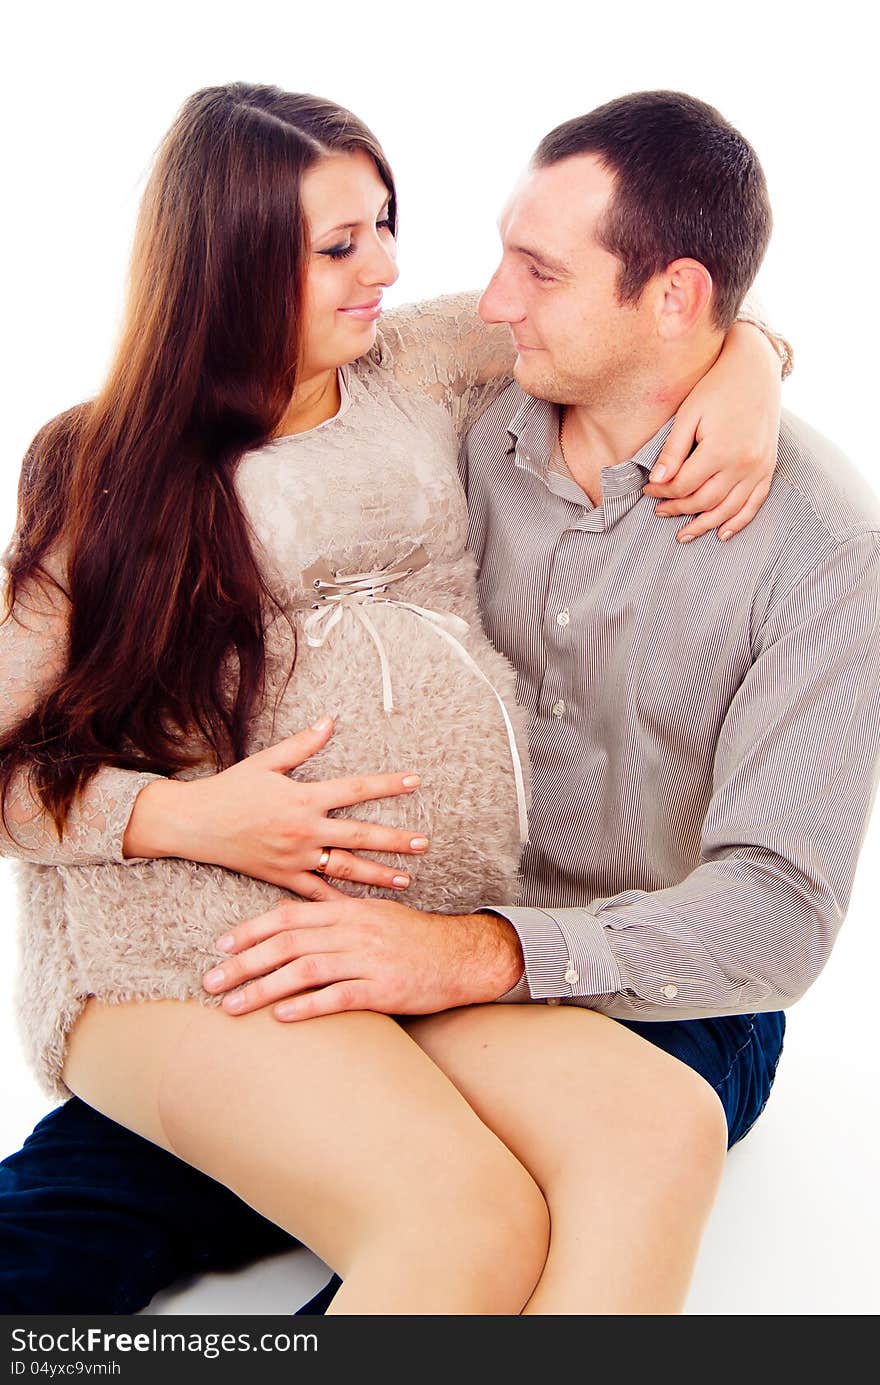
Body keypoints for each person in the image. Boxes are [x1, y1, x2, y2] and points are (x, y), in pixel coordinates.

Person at [0, 84, 794, 1315]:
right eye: (339, 245)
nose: (388, 264)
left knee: (658, 1121)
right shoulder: (99, 465)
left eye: (384, 223)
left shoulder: (413, 364)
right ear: (228, 262)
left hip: (404, 929)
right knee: (467, 1223)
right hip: (186, 934)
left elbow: (641, 322)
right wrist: (185, 818)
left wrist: (752, 364)